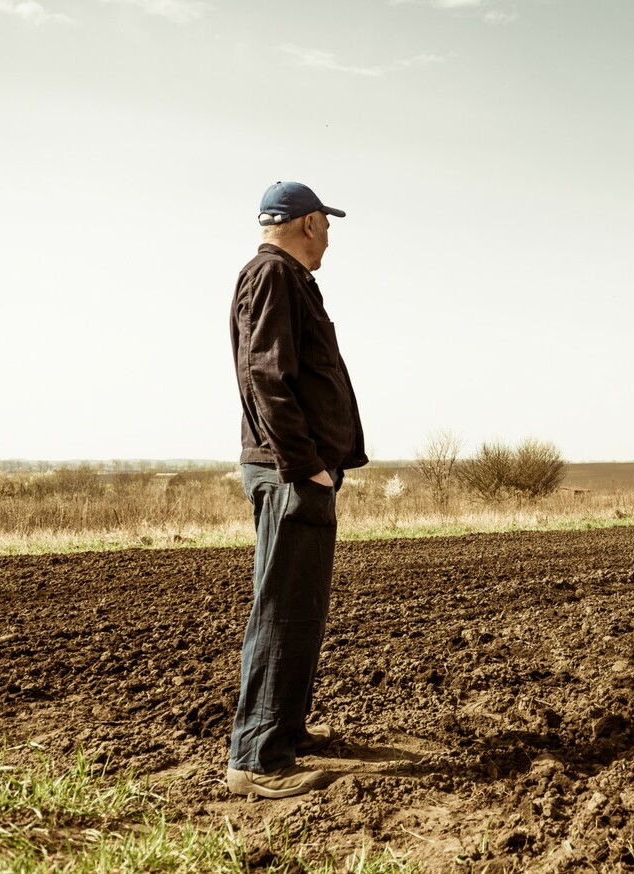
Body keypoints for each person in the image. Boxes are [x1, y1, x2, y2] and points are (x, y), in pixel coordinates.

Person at [225, 181, 368, 799]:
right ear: (307, 222)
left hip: (297, 470)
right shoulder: (273, 276)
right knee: (283, 607)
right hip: (291, 473)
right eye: (327, 224)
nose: (330, 236)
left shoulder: (282, 278)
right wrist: (303, 463)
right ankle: (257, 758)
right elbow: (265, 375)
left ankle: (283, 732)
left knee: (300, 606)